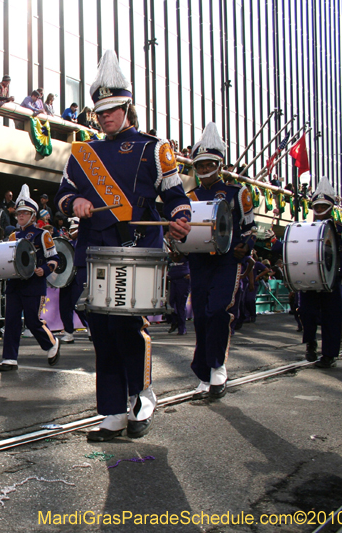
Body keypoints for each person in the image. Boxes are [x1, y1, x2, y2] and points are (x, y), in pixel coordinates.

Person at [55, 50, 191, 442]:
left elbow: (175, 196)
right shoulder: (83, 153)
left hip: (136, 251)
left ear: (127, 107)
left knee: (129, 329)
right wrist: (74, 202)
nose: (106, 116)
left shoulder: (154, 148)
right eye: (100, 111)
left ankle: (143, 393)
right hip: (94, 252)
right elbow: (63, 195)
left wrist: (180, 218)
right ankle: (112, 411)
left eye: (113, 109)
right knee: (102, 333)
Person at [183, 122, 256, 399]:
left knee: (217, 312)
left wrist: (244, 247)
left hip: (226, 263)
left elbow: (250, 229)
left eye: (208, 164)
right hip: (199, 263)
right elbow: (182, 231)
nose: (203, 170)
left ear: (220, 164)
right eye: (199, 166)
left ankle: (218, 367)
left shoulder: (239, 193)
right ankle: (204, 374)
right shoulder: (190, 197)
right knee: (200, 316)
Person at [0, 185, 60, 371]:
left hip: (34, 285)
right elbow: (8, 260)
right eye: (19, 213)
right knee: (12, 321)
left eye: (25, 213)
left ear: (33, 215)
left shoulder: (43, 235)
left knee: (33, 321)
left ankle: (51, 343)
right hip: (15, 285)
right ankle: (9, 358)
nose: (20, 216)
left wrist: (44, 269)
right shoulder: (14, 235)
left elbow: (55, 259)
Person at [294, 176, 342, 368]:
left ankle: (329, 355)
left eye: (323, 206)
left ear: (331, 206)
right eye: (317, 207)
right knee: (306, 312)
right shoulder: (305, 229)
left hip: (333, 280)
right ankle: (310, 342)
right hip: (310, 279)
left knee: (332, 317)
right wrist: (274, 243)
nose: (319, 210)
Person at [58, 218, 89, 343]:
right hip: (66, 278)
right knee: (64, 306)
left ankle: (89, 326)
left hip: (78, 277)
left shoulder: (83, 243)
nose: (72, 232)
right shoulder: (67, 243)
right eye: (71, 230)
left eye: (75, 229)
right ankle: (68, 331)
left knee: (80, 306)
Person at [166, 250, 190, 336]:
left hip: (183, 279)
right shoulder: (170, 253)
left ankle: (182, 328)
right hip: (172, 279)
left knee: (181, 304)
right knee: (171, 303)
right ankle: (175, 321)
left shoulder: (186, 251)